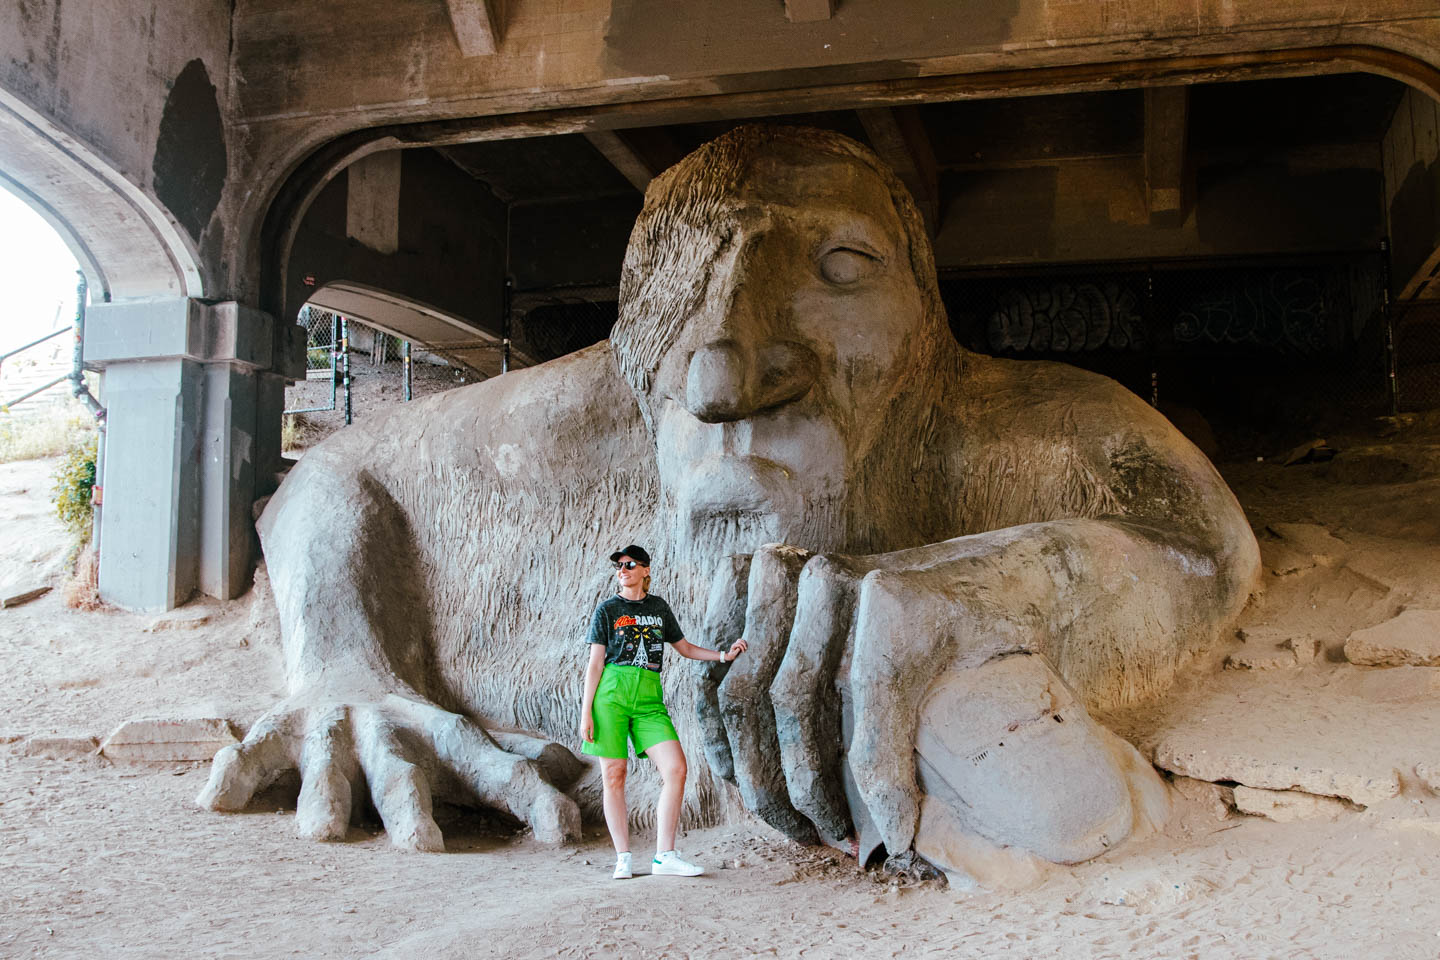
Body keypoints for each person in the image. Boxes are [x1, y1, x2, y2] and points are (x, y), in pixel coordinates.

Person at [580, 544, 748, 879]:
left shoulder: (658, 608)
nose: (623, 570)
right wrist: (586, 712)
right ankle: (623, 858)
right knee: (614, 775)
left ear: (645, 570)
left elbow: (683, 648)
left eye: (630, 565)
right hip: (610, 695)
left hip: (648, 699)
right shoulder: (607, 610)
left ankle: (664, 856)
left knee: (676, 768)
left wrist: (722, 656)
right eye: (619, 566)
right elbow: (595, 663)